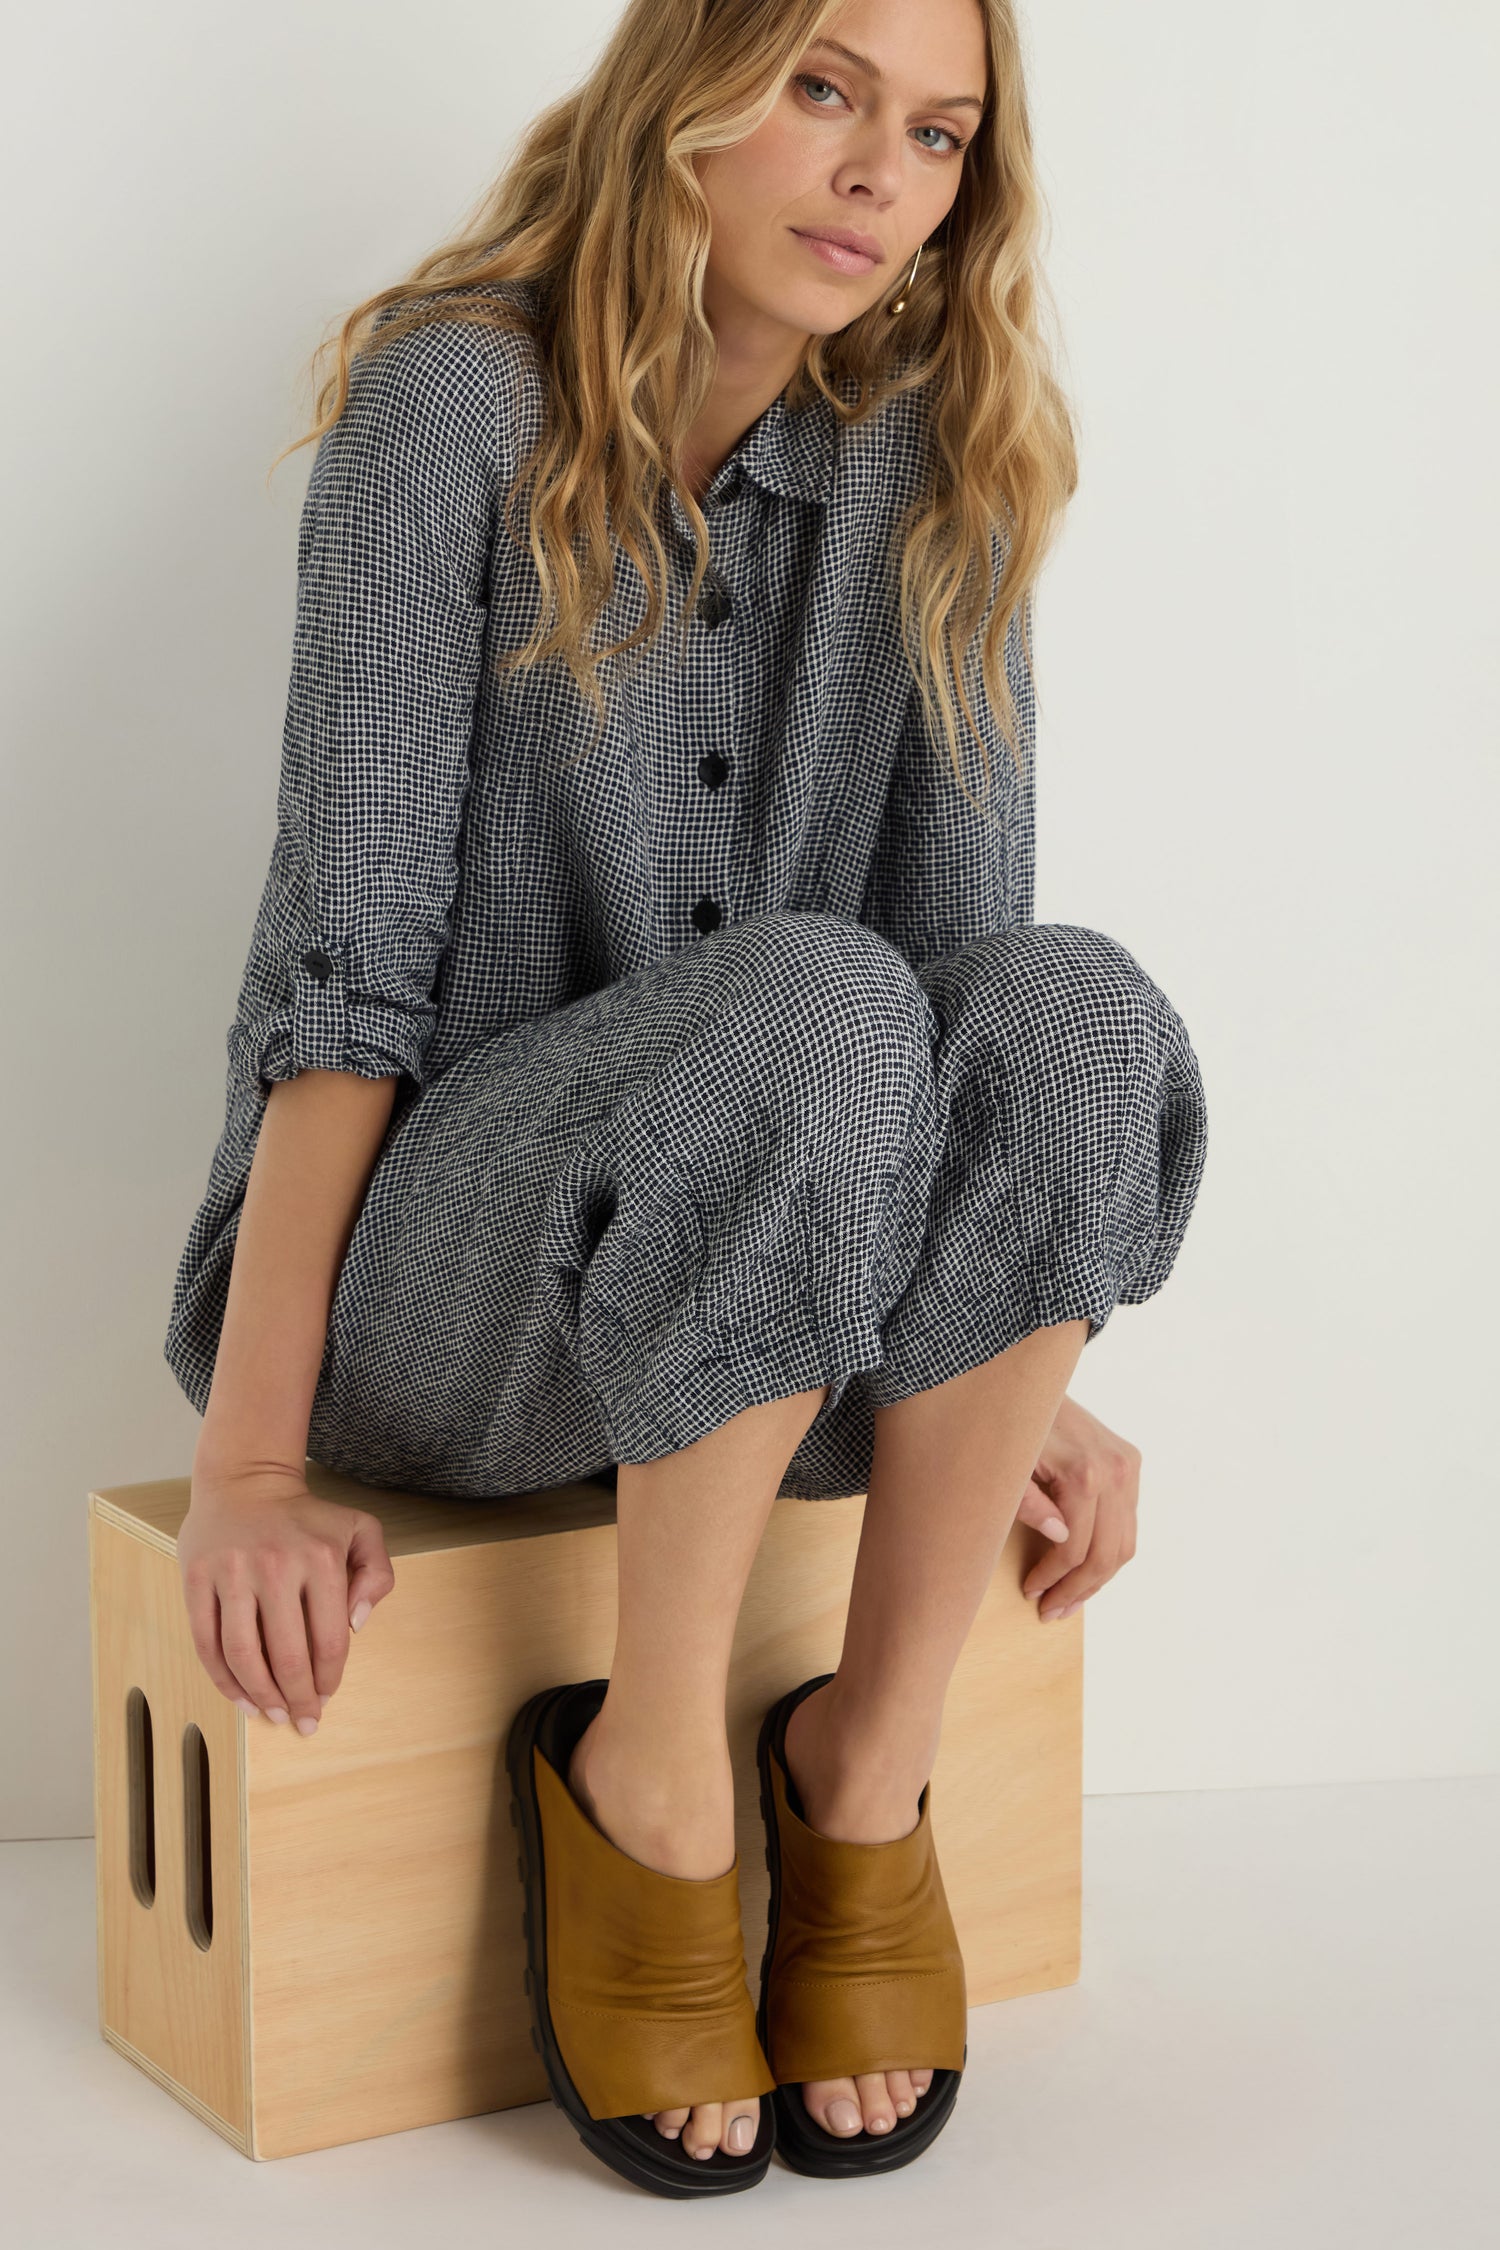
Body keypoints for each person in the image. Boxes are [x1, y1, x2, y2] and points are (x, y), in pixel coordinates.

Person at [166, 0, 1209, 2197]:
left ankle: (863, 1772)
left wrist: (1020, 1347)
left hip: (794, 1283)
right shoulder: (455, 397)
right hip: (450, 1298)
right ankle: (652, 1774)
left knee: (1085, 1005)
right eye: (826, 89)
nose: (877, 173)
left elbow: (983, 1000)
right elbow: (339, 968)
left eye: (938, 135)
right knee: (818, 1000)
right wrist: (254, 1455)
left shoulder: (946, 442)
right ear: (690, 98)